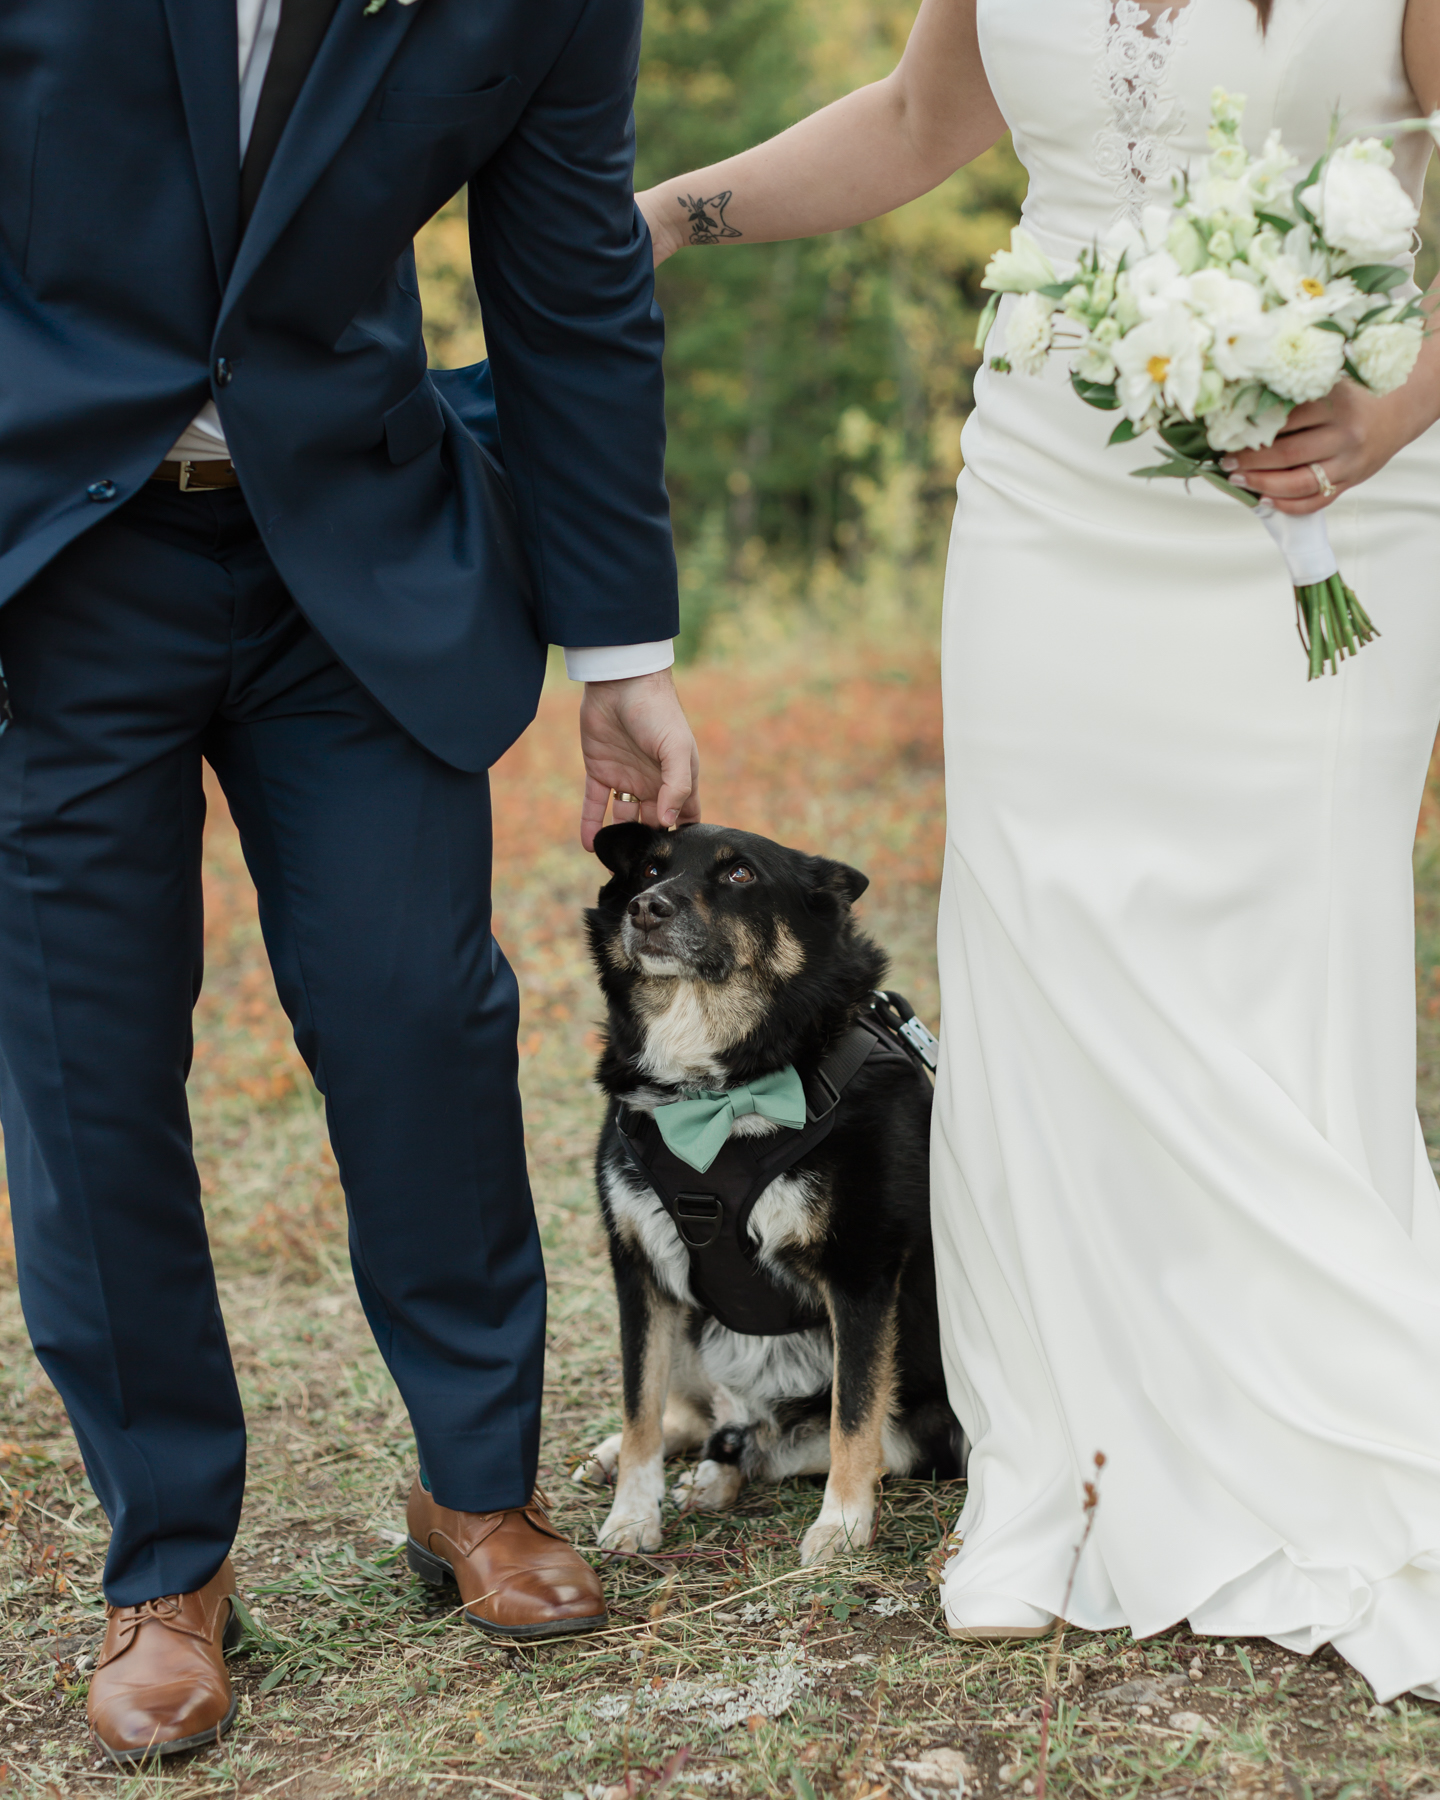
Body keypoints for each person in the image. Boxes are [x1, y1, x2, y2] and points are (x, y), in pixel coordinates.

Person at [639, 0, 1440, 1703]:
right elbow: (924, 121)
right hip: (1055, 491)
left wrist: (1391, 414)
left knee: (1279, 933)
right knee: (1054, 935)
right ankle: (1075, 1434)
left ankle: (1304, 1394)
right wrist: (666, 215)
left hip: (1328, 479)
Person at [0, 0, 698, 1763]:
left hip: (359, 555)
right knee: (85, 1061)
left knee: (418, 1020)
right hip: (57, 557)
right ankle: (169, 1562)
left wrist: (623, 644)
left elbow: (567, 277)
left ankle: (476, 1488)